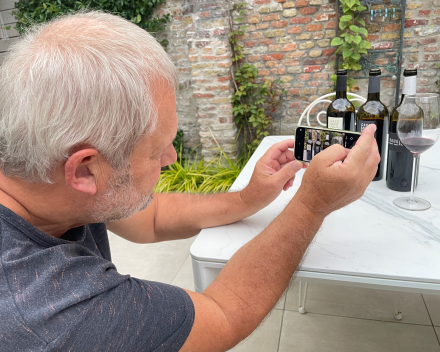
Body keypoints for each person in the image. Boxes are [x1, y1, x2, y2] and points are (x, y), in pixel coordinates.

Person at [0, 11, 380, 352]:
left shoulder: (40, 177)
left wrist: (249, 196)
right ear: (84, 170)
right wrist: (313, 204)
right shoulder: (52, 312)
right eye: (157, 150)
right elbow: (224, 313)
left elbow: (151, 215)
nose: (172, 159)